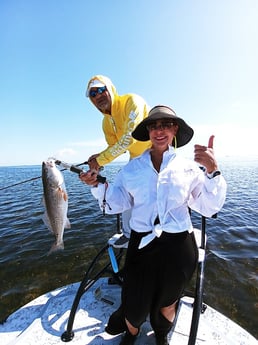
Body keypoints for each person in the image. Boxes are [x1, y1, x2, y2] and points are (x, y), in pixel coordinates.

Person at [80, 105, 227, 345]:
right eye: (153, 125)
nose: (159, 131)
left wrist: (213, 170)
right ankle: (132, 332)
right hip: (142, 244)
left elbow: (209, 208)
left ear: (175, 130)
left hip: (179, 246)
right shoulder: (131, 169)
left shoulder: (189, 168)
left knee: (168, 301)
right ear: (147, 131)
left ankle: (161, 335)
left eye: (166, 125)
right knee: (134, 303)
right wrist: (95, 185)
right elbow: (114, 203)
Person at [85, 75, 151, 248]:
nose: (98, 95)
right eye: (93, 94)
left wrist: (99, 160)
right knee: (126, 189)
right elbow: (114, 146)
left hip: (157, 152)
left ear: (110, 89)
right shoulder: (106, 122)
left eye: (101, 90)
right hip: (136, 158)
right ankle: (129, 234)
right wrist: (97, 158)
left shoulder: (132, 101)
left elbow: (129, 138)